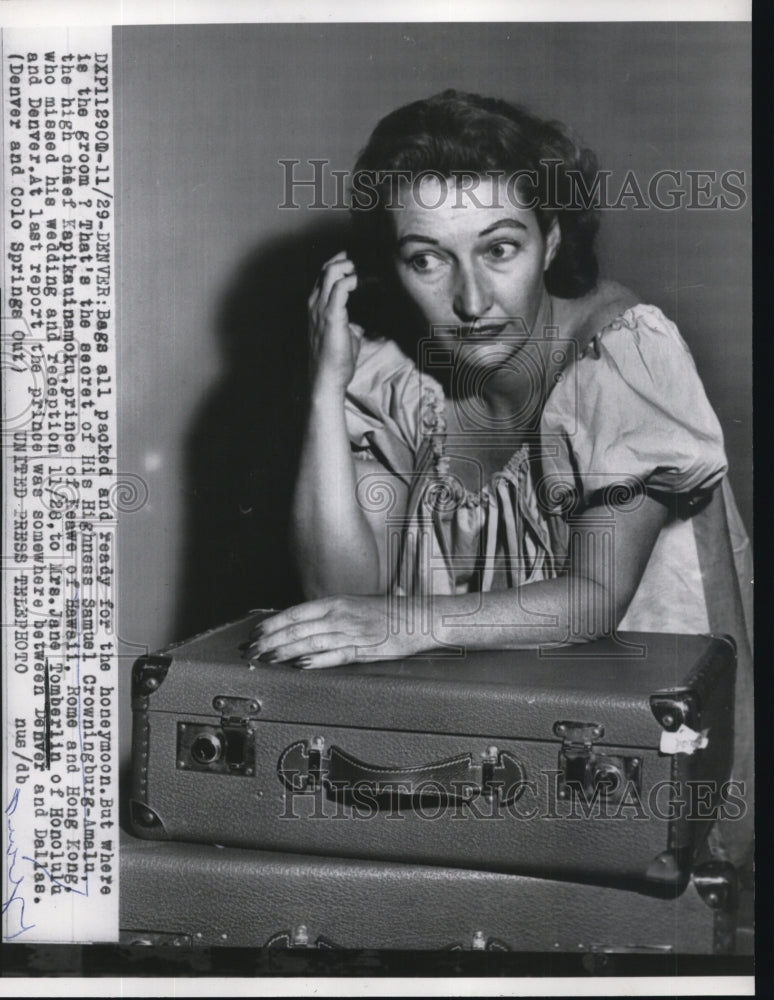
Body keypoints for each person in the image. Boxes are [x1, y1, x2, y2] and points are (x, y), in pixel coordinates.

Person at [246, 90, 752, 862]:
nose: (471, 300)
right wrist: (326, 385)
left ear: (550, 241)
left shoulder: (625, 356)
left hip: (648, 781)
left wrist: (407, 624)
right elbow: (339, 593)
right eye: (428, 258)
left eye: (500, 248)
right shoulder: (404, 384)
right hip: (491, 773)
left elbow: (592, 599)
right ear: (393, 264)